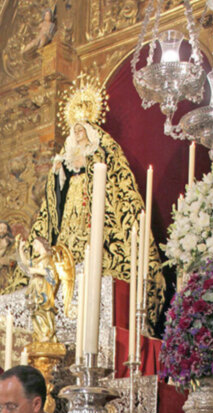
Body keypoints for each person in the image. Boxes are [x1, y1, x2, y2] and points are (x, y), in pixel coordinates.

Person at [30, 120, 164, 331]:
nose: (79, 134)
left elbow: (104, 174)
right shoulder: (70, 150)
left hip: (89, 198)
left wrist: (88, 161)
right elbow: (59, 185)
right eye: (75, 132)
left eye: (81, 130)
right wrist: (59, 169)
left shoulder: (96, 150)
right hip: (72, 195)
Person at [0, 220, 27, 296]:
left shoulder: (13, 245)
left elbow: (17, 257)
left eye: (5, 228)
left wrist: (7, 260)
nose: (3, 231)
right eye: (0, 228)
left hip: (10, 278)